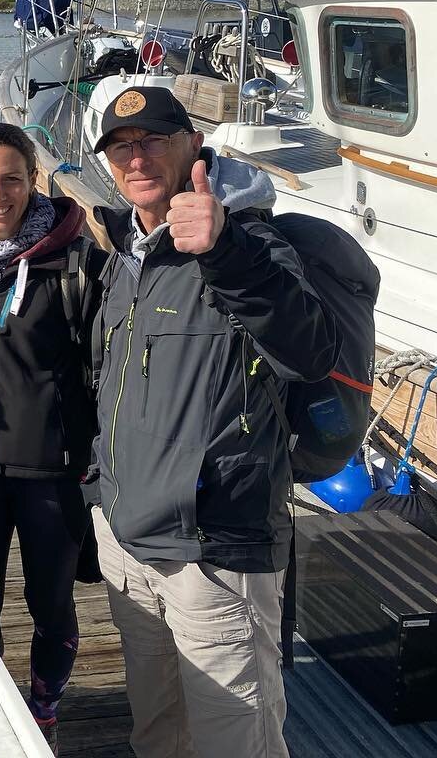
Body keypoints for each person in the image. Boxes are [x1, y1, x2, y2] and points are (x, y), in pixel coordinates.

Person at [89, 86, 336, 758]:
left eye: (154, 140)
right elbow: (110, 382)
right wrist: (99, 490)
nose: (137, 158)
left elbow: (310, 350)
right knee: (158, 732)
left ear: (193, 146)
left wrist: (226, 252)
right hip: (128, 542)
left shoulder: (249, 240)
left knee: (239, 743)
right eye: (121, 147)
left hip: (214, 555)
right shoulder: (127, 252)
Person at [0, 123, 104, 753]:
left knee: (51, 603)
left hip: (50, 469)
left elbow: (104, 367)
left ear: (33, 180)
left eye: (12, 178)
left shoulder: (73, 262)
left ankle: (43, 707)